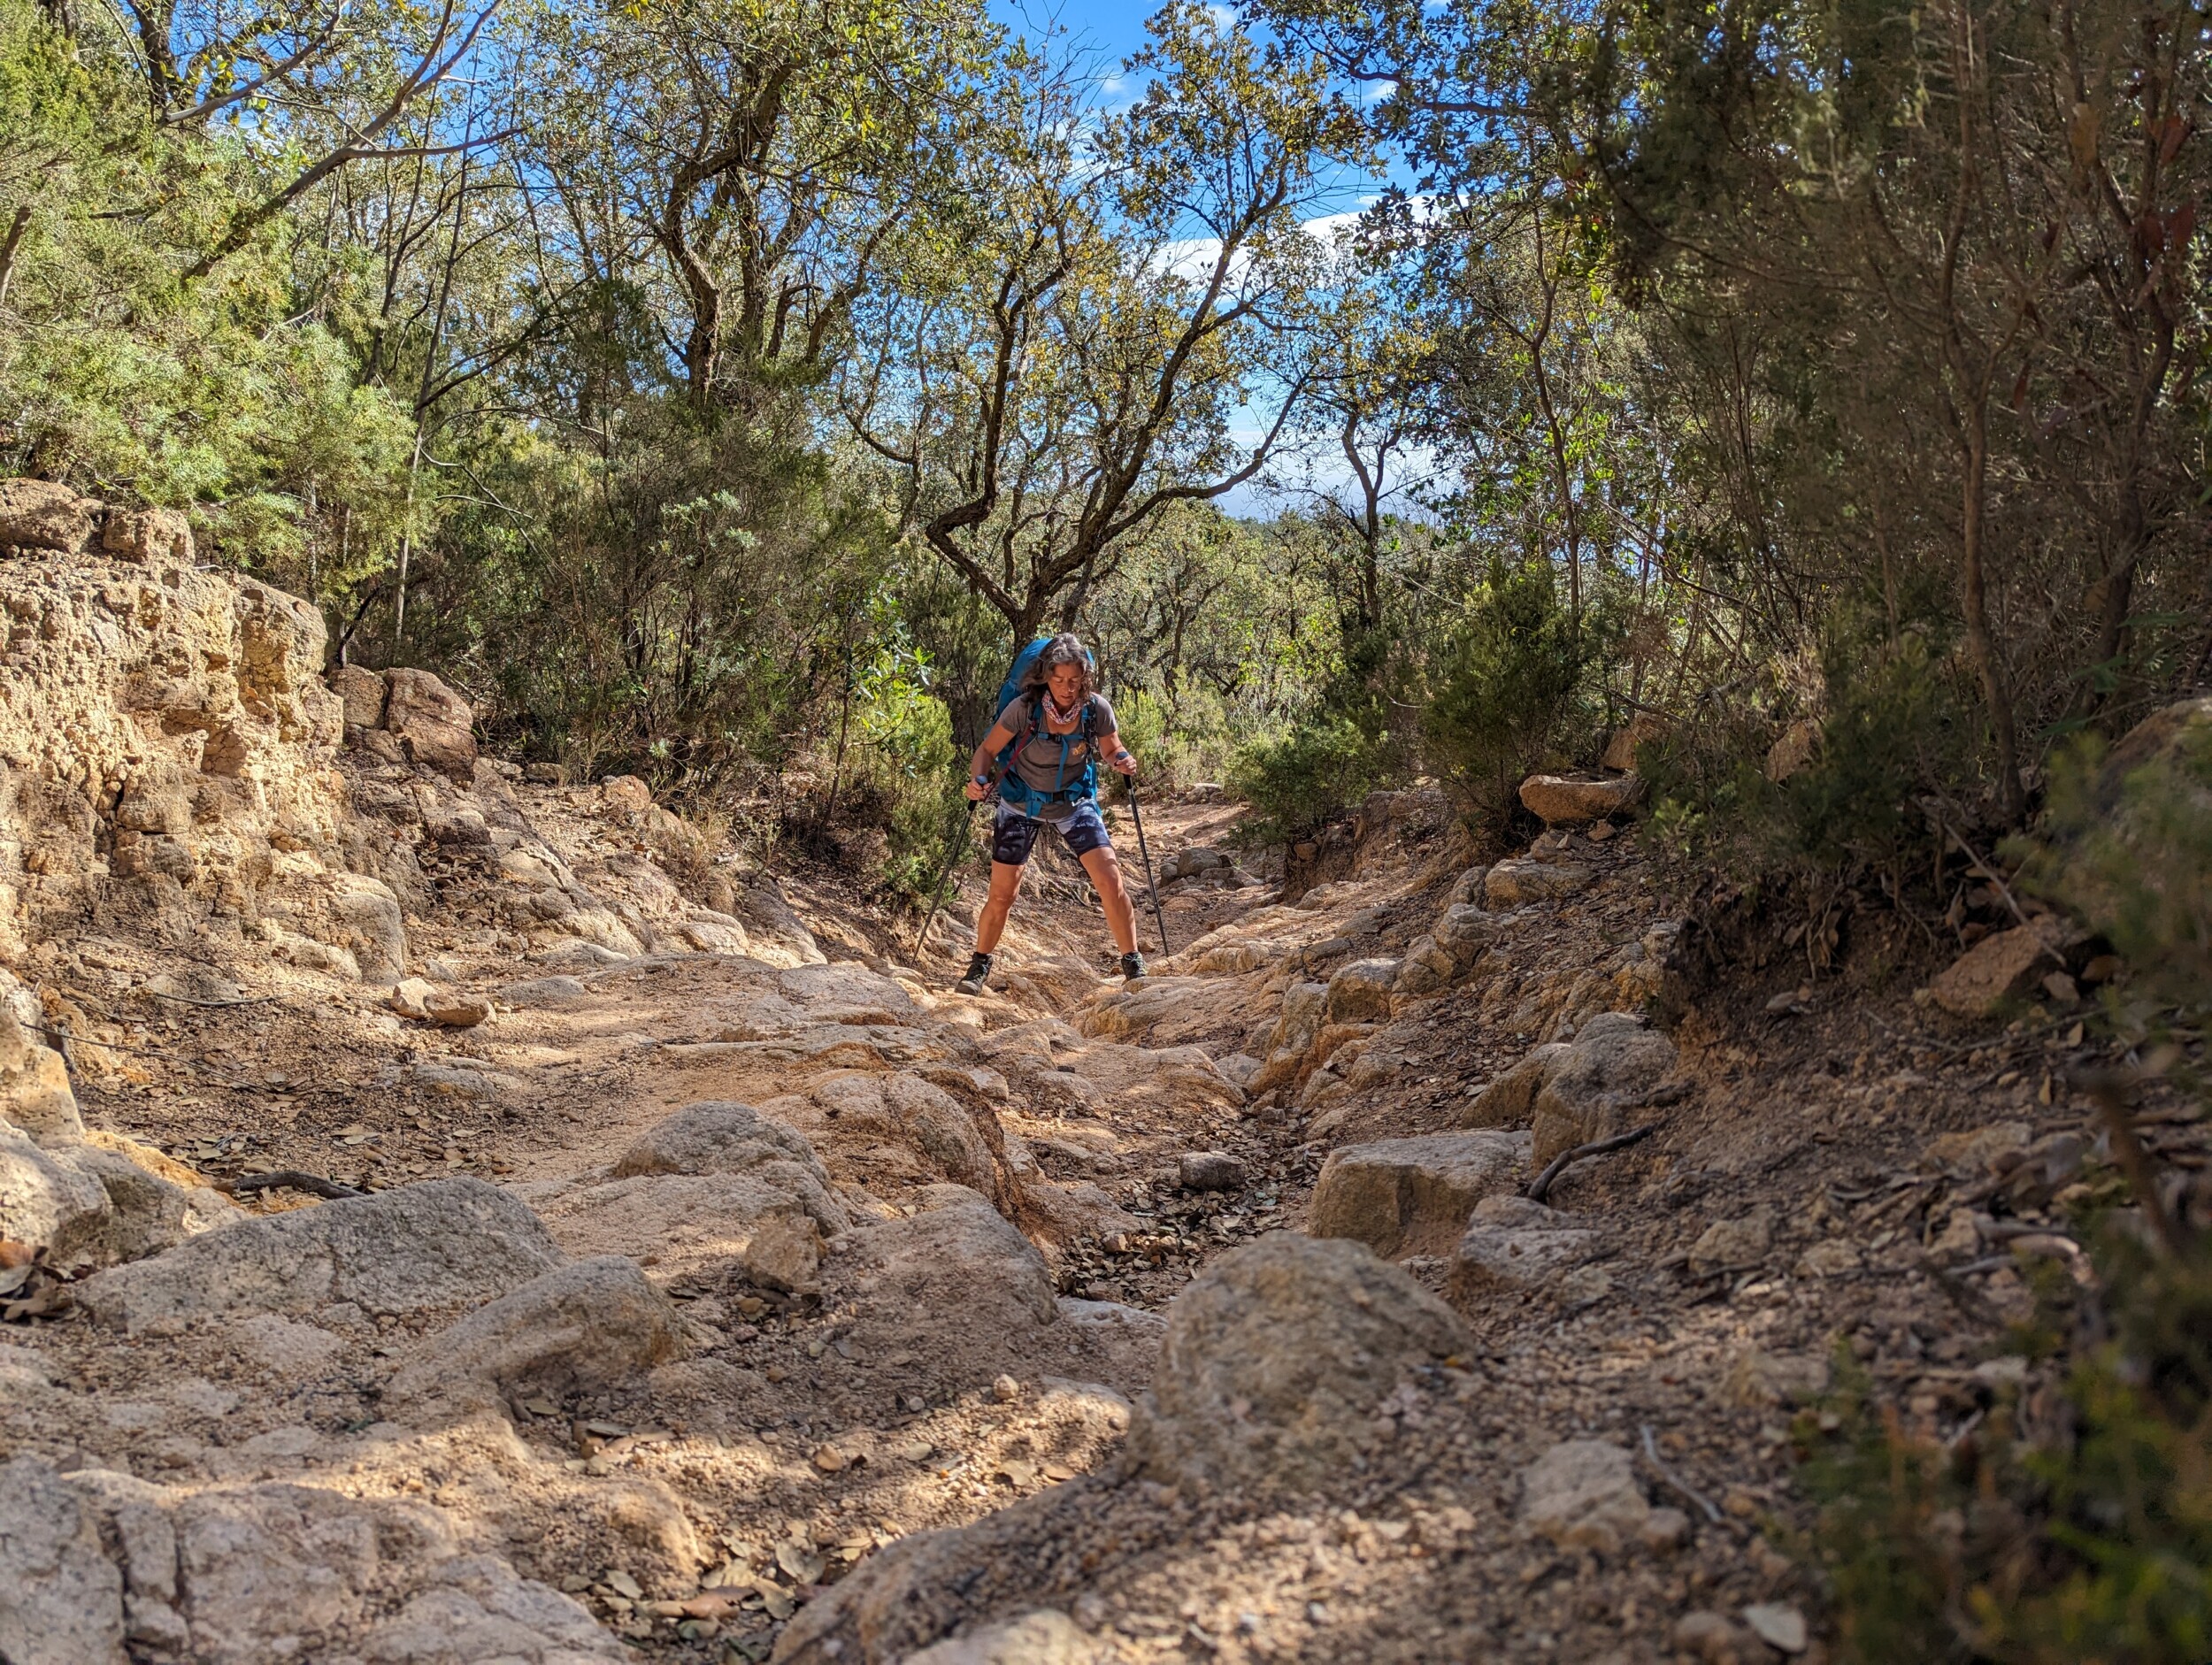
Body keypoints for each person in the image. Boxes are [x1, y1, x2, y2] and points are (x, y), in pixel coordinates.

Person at [956, 633, 1144, 994]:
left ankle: (1133, 963)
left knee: (1109, 879)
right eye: (1058, 680)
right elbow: (987, 750)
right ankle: (979, 965)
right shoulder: (1025, 709)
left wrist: (1121, 760)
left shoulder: (1096, 710)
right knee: (1002, 894)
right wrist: (977, 780)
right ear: (1046, 677)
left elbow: (1111, 748)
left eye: (1074, 680)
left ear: (1084, 678)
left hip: (1074, 803)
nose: (1066, 688)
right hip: (1020, 803)